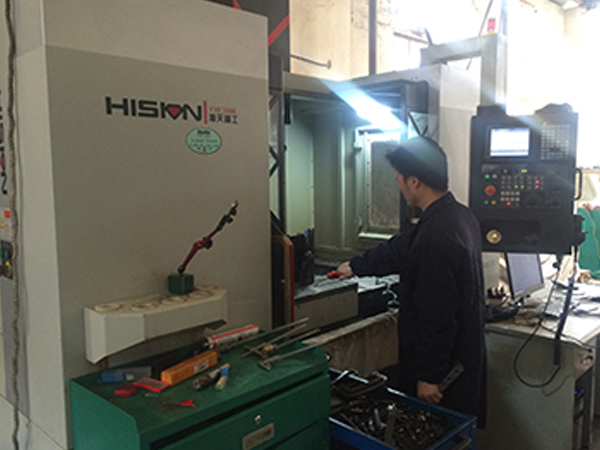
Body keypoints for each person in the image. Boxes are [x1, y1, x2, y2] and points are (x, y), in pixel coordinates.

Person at [337, 136, 486, 426]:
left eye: (399, 180)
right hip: (462, 357)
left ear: (414, 181)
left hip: (444, 375)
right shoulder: (458, 216)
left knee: (438, 434)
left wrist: (430, 376)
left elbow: (437, 314)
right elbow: (401, 248)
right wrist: (355, 266)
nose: (400, 187)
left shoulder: (436, 237)